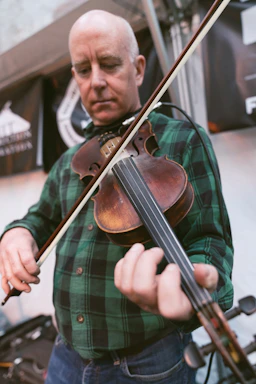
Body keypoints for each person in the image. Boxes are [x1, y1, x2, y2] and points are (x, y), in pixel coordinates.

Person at [0, 9, 233, 384]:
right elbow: (40, 218)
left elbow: (211, 238)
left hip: (149, 363)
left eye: (109, 64)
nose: (96, 82)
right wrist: (16, 233)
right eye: (82, 69)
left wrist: (193, 286)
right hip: (65, 357)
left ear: (139, 69)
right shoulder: (69, 162)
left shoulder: (181, 139)